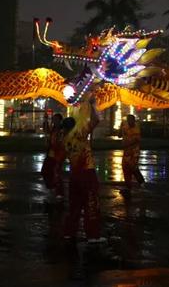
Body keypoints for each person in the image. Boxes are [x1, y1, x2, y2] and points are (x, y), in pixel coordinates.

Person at [63, 97, 105, 243]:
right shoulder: (79, 134)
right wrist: (93, 105)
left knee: (74, 206)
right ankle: (93, 235)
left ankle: (69, 232)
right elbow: (96, 120)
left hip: (74, 175)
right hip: (87, 173)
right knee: (91, 204)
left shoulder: (66, 139)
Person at [41, 113, 66, 200]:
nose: (54, 121)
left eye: (55, 120)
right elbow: (46, 130)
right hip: (50, 154)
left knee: (56, 173)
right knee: (45, 171)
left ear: (60, 120)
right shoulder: (54, 129)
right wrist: (45, 120)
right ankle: (52, 186)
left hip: (58, 155)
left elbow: (61, 143)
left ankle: (59, 192)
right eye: (53, 119)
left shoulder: (62, 131)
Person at [120, 114, 145, 194]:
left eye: (131, 120)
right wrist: (120, 128)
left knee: (133, 167)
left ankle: (141, 182)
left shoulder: (136, 129)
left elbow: (136, 140)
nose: (129, 122)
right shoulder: (125, 127)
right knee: (125, 168)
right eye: (128, 120)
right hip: (126, 152)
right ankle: (128, 186)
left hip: (134, 152)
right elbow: (119, 135)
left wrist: (126, 144)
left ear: (133, 120)